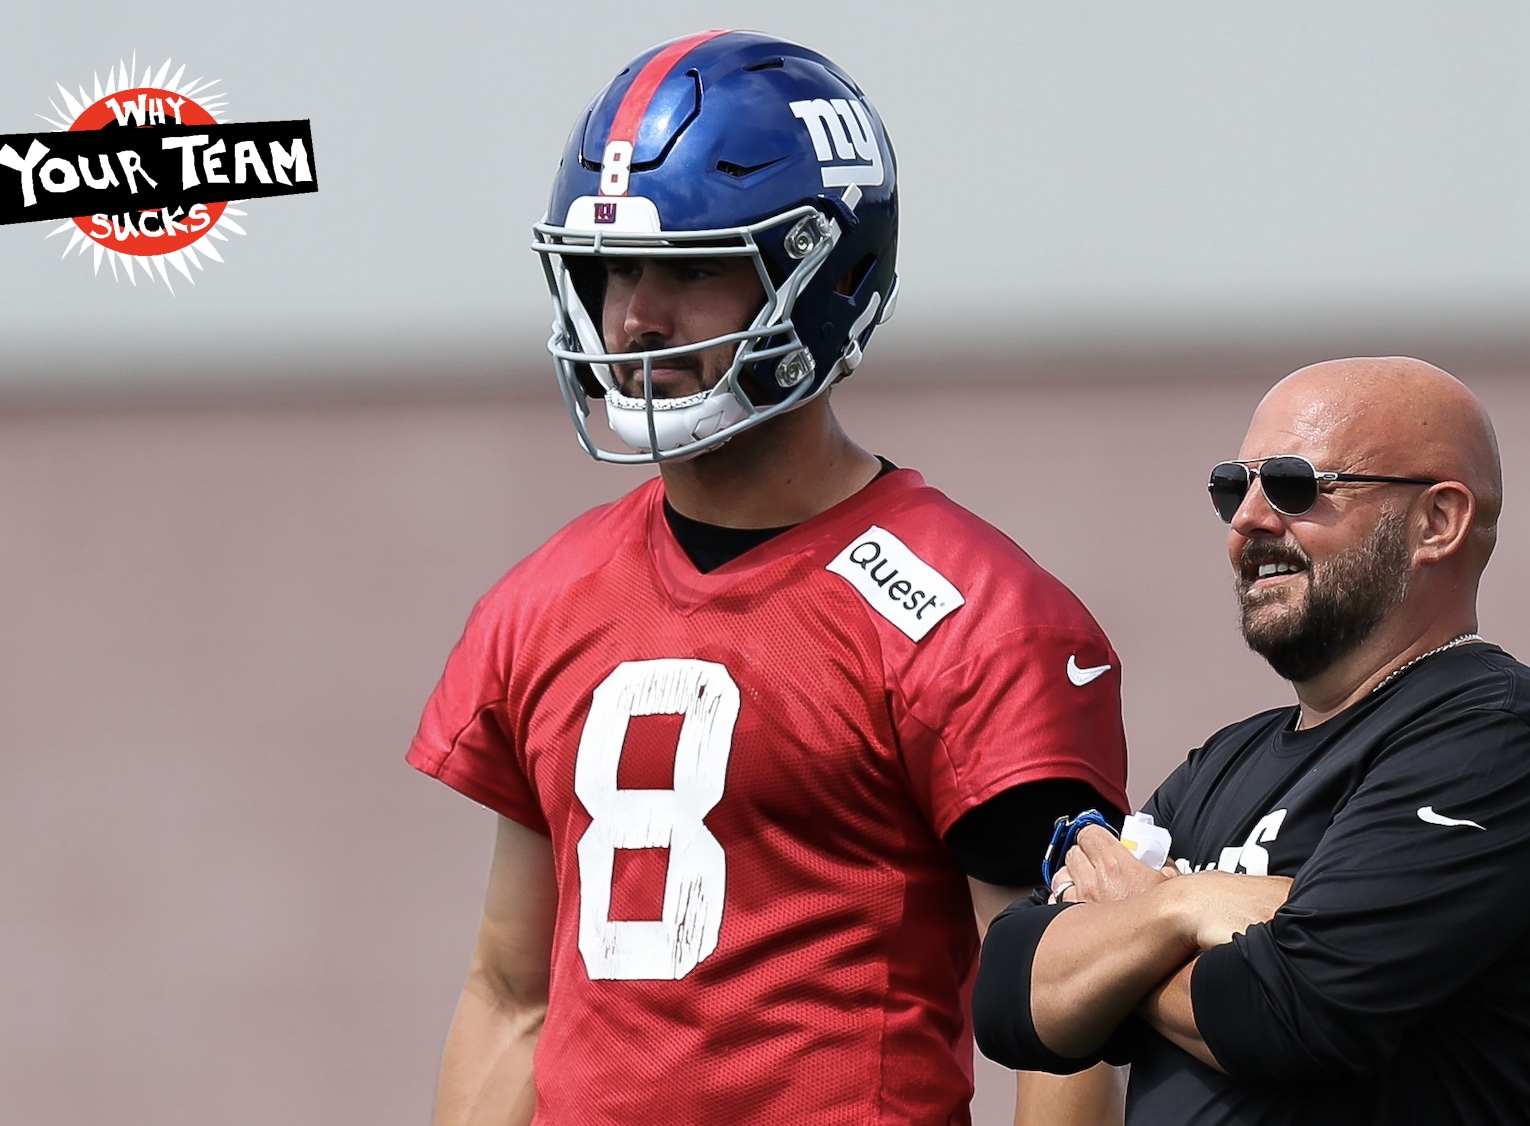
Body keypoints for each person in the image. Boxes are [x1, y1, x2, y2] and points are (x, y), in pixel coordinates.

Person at [406, 31, 1128, 1126]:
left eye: (692, 268)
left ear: (824, 272)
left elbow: (1061, 1021)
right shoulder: (542, 600)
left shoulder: (968, 611)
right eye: (614, 270)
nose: (636, 317)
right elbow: (511, 996)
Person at [974, 357, 1530, 1124]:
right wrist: (1186, 908)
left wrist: (1127, 940)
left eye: (1293, 484)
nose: (1248, 519)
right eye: (1233, 488)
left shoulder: (1505, 740)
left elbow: (1295, 1013)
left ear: (1437, 522)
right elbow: (1013, 993)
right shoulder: (1219, 767)